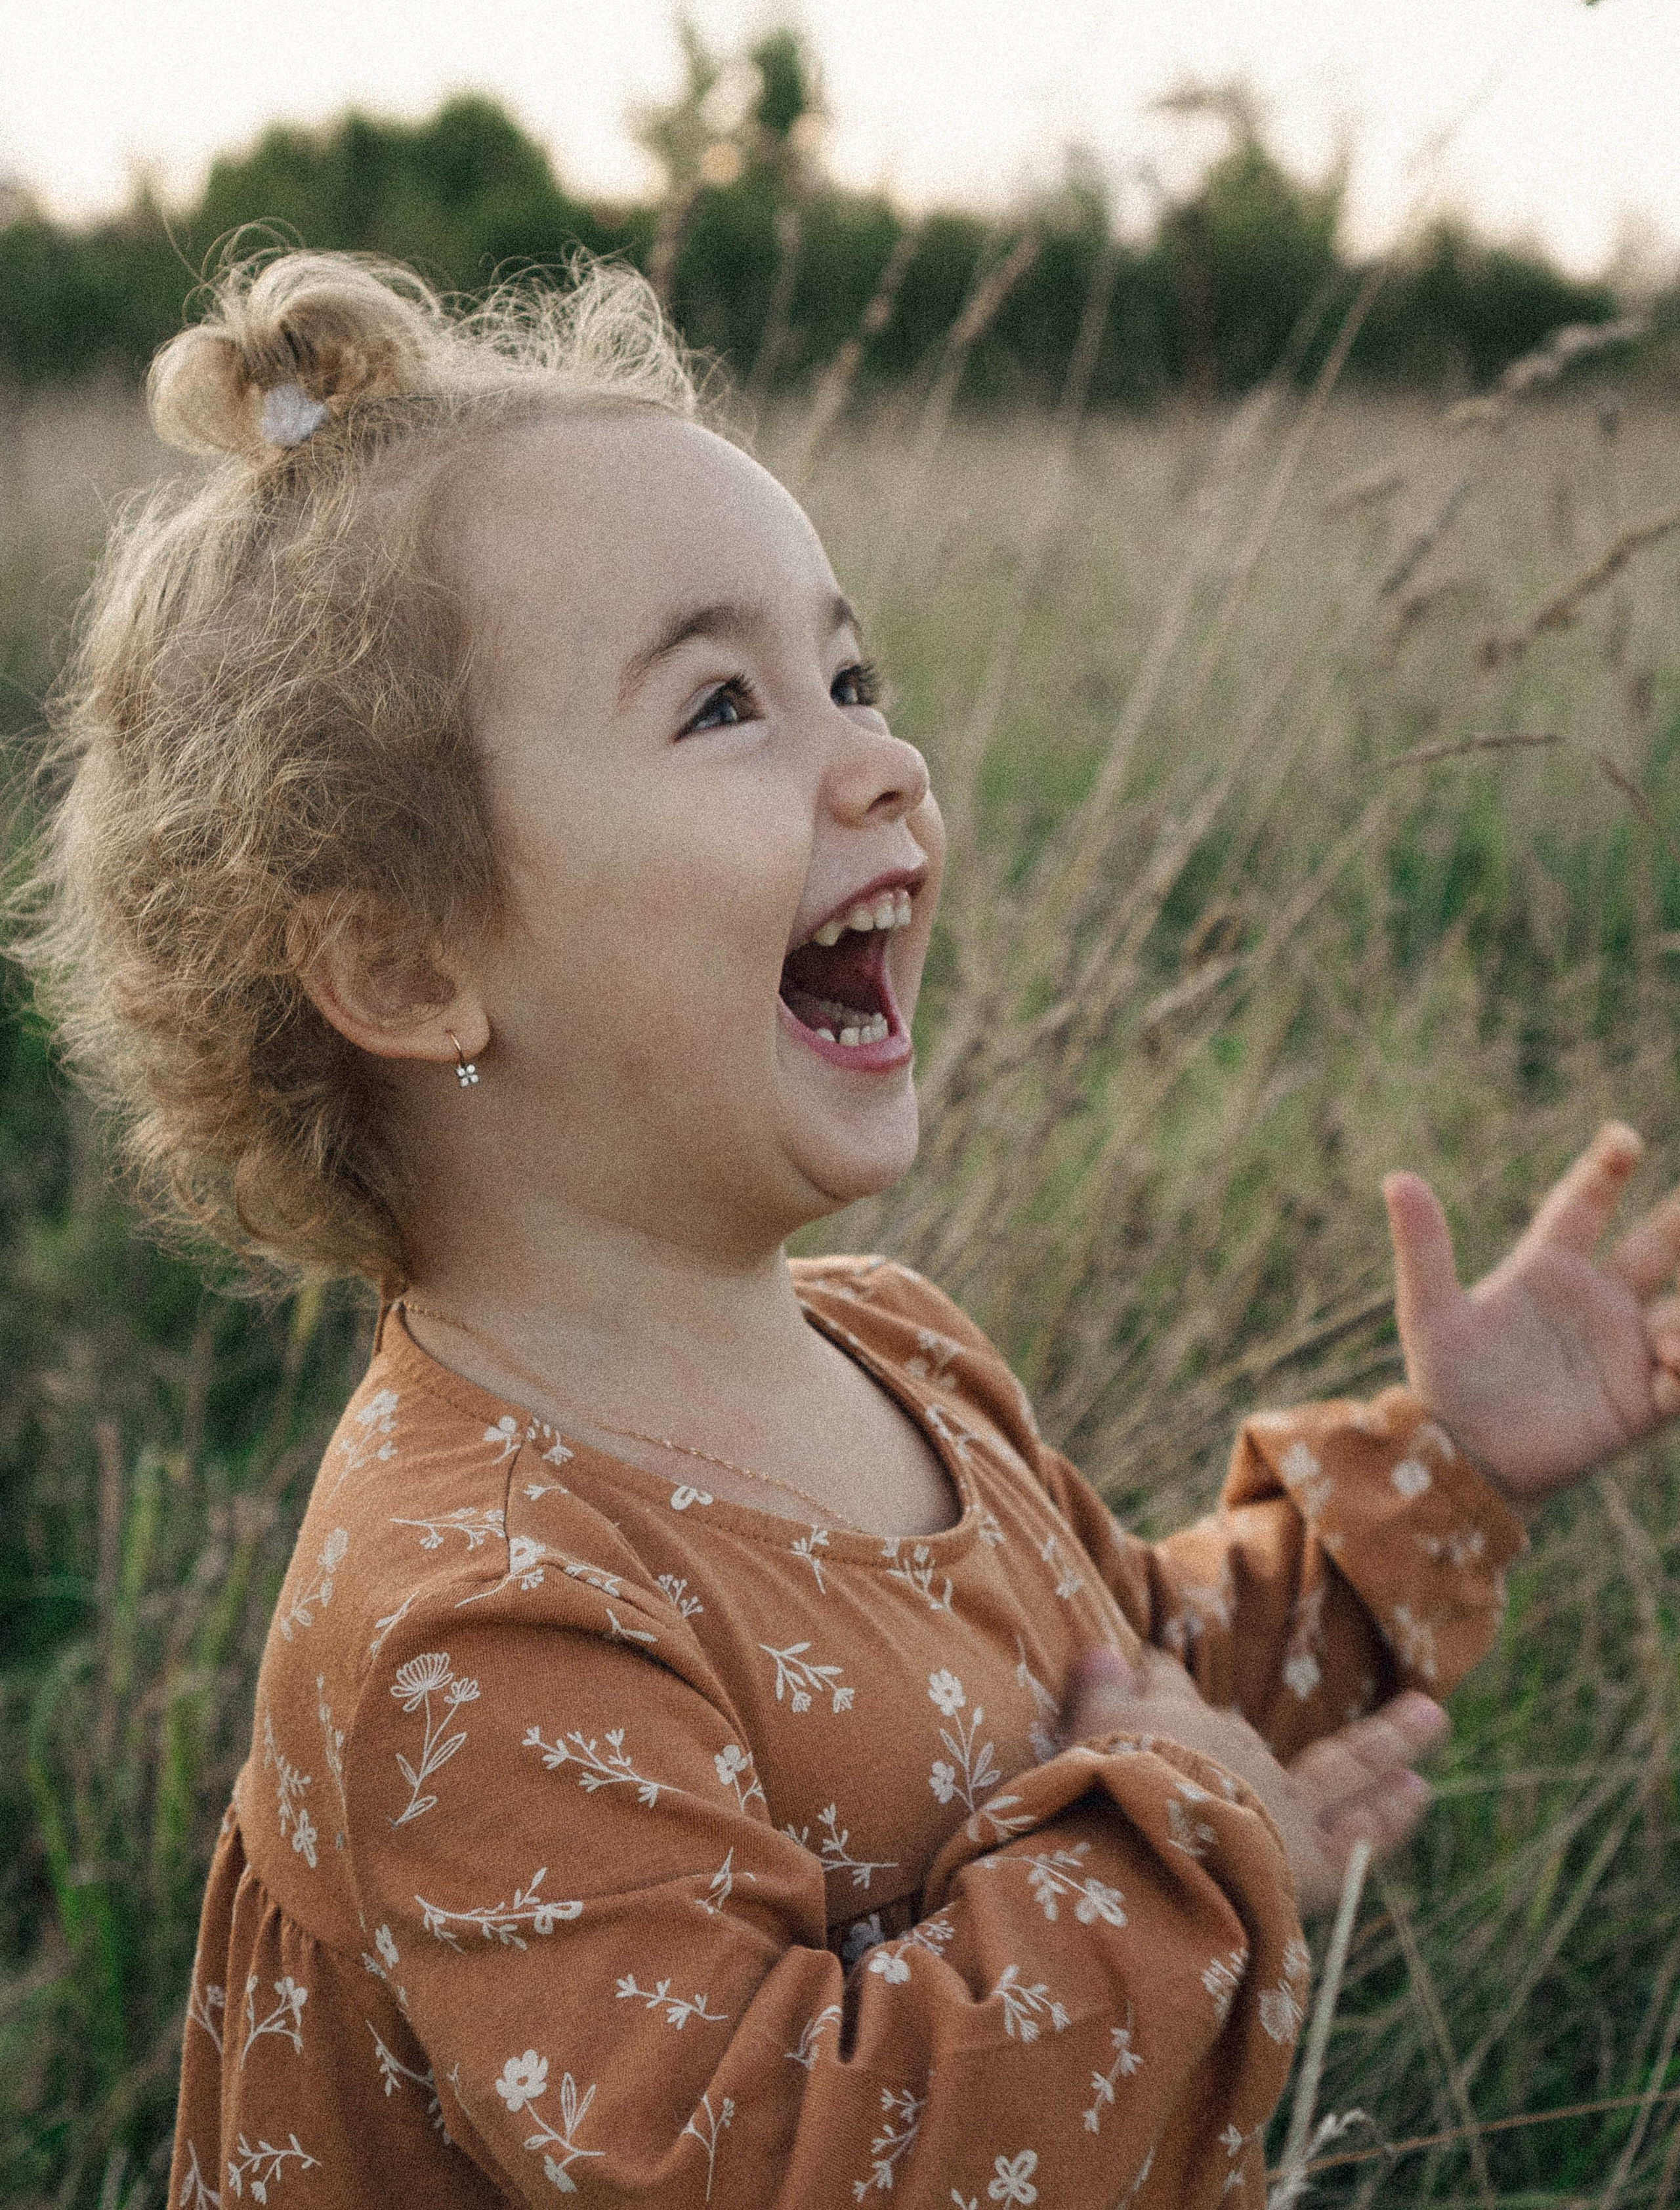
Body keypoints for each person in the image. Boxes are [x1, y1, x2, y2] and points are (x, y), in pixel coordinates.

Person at [23, 250, 1680, 2210]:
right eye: (724, 703)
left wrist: (1451, 1463)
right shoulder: (471, 1618)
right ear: (403, 962)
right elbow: (777, 2155)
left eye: (855, 675)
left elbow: (1133, 1678)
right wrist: (1181, 1839)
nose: (883, 757)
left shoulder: (895, 1347)